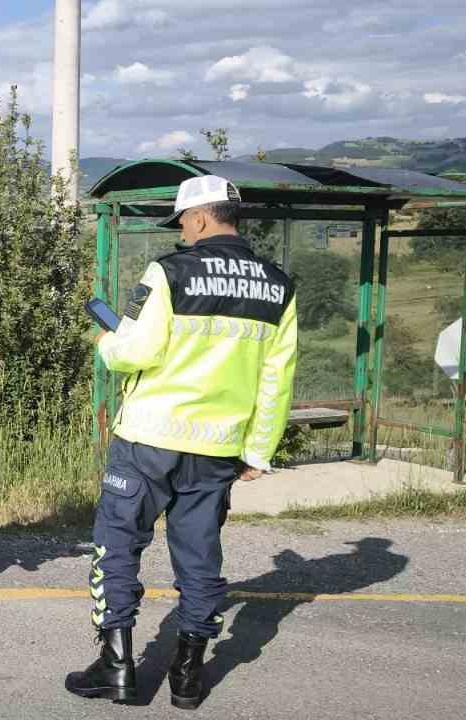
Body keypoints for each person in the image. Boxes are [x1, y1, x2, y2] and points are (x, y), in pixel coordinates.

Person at [64, 175, 298, 708]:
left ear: (197, 219)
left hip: (149, 436)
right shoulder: (278, 286)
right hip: (216, 447)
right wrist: (257, 452)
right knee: (199, 557)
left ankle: (117, 668)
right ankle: (189, 677)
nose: (185, 234)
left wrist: (108, 341)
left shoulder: (170, 271)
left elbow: (136, 352)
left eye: (184, 225)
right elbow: (276, 379)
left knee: (118, 546)